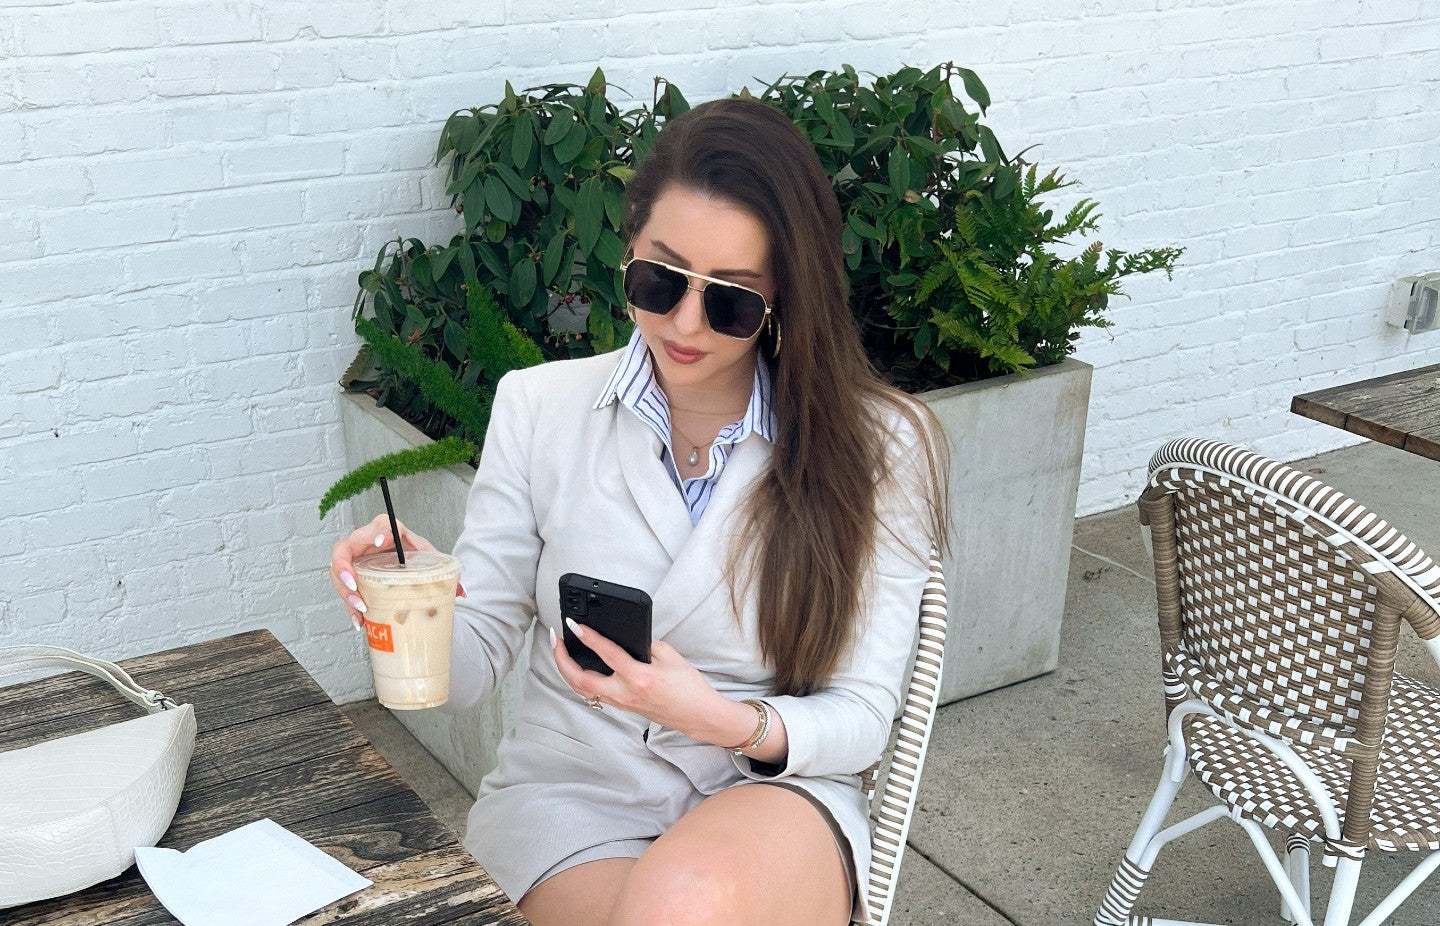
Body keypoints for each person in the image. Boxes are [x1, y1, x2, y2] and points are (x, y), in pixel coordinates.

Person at [330, 96, 948, 926]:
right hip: (578, 795)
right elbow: (468, 670)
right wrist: (408, 597)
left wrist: (718, 719)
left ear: (784, 297)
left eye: (730, 301)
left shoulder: (881, 445)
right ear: (628, 253)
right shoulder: (539, 408)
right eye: (659, 280)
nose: (685, 323)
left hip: (770, 792)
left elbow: (864, 717)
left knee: (682, 902)